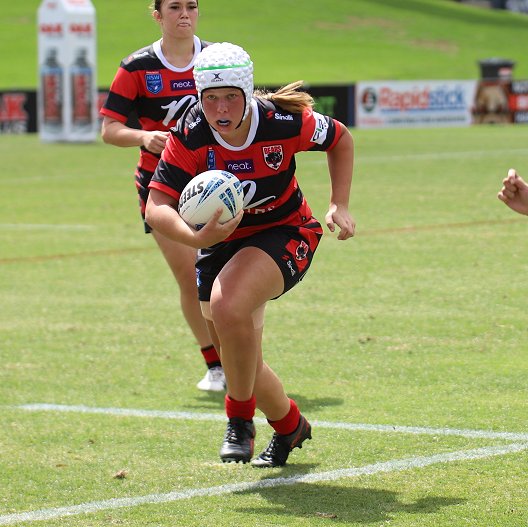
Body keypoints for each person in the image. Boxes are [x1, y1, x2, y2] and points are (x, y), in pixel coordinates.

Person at [146, 42, 355, 466]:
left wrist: (340, 203)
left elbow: (341, 139)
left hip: (286, 230)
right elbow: (157, 206)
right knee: (241, 357)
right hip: (219, 243)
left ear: (246, 93)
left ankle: (238, 419)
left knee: (228, 307)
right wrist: (195, 237)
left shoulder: (283, 122)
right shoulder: (189, 133)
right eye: (211, 98)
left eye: (230, 97)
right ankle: (290, 426)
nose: (220, 109)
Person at [99, 0, 225, 392]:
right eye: (174, 7)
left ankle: (243, 359)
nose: (184, 14)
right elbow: (110, 129)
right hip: (163, 189)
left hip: (217, 184)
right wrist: (143, 137)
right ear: (157, 15)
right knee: (192, 278)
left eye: (191, 6)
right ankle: (216, 365)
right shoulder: (136, 67)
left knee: (228, 277)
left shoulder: (216, 58)